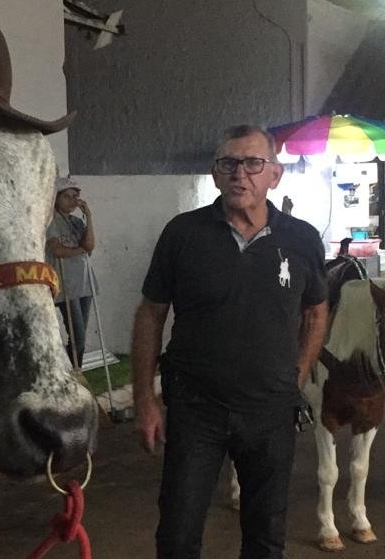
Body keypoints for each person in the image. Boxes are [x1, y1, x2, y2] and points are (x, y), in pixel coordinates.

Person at [131, 125, 329, 559]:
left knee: (265, 536)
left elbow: (316, 311)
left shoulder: (301, 239)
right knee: (178, 533)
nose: (241, 173)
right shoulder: (183, 235)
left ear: (274, 175)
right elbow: (150, 313)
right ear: (216, 174)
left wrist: (296, 374)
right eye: (229, 163)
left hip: (271, 410)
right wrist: (145, 398)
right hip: (196, 409)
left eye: (253, 163)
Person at [46, 176, 97, 367]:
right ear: (57, 198)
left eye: (75, 196)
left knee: (80, 335)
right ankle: (74, 372)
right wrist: (82, 250)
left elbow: (90, 245)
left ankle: (76, 370)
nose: (72, 201)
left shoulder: (76, 222)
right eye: (66, 196)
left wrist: (89, 217)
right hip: (66, 285)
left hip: (84, 282)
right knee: (78, 336)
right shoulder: (51, 221)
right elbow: (57, 250)